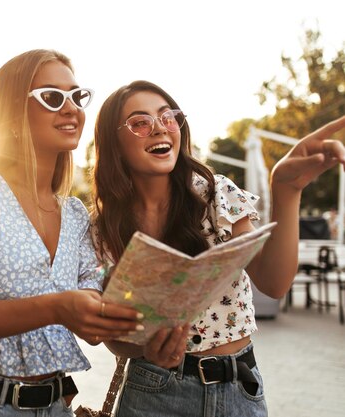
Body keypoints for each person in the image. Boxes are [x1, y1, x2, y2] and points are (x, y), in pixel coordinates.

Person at [90, 79, 345, 416]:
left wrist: (287, 188)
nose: (159, 128)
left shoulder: (214, 193)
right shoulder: (102, 227)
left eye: (168, 117)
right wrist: (145, 348)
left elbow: (274, 282)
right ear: (114, 143)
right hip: (152, 391)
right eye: (140, 123)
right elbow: (112, 336)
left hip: (238, 387)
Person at [0, 49, 141, 416]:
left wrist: (147, 324)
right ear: (13, 114)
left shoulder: (75, 214)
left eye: (77, 96)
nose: (71, 109)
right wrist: (56, 308)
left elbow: (91, 324)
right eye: (52, 97)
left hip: (54, 405)